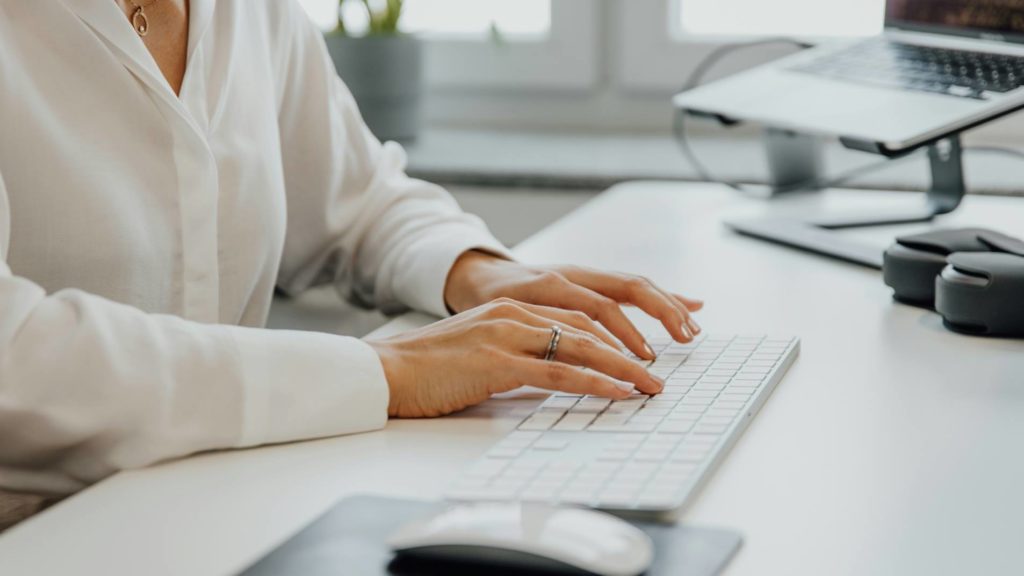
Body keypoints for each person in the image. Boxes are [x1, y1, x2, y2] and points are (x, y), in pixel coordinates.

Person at [0, 0, 702, 528]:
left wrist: (476, 270)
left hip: (207, 511)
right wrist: (392, 372)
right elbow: (14, 355)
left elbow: (356, 199)